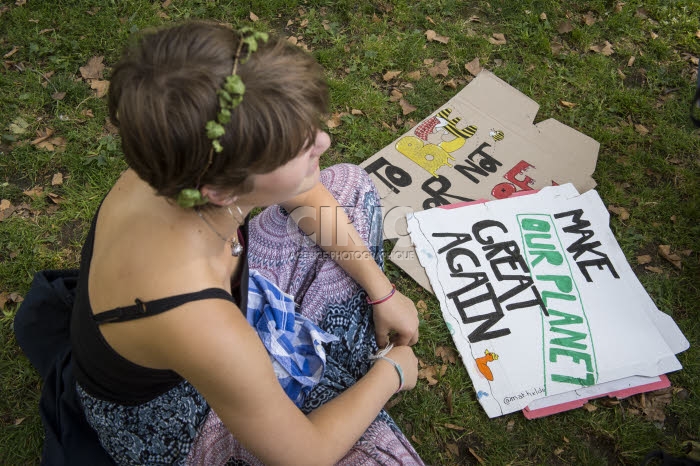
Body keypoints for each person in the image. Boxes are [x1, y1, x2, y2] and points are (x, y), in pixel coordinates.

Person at [61, 21, 422, 465]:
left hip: (219, 332)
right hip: (185, 418)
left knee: (347, 185)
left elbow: (304, 189)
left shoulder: (178, 151)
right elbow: (304, 457)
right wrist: (392, 373)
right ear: (222, 190)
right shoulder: (197, 318)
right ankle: (340, 376)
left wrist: (380, 289)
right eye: (297, 147)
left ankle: (328, 373)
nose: (323, 141)